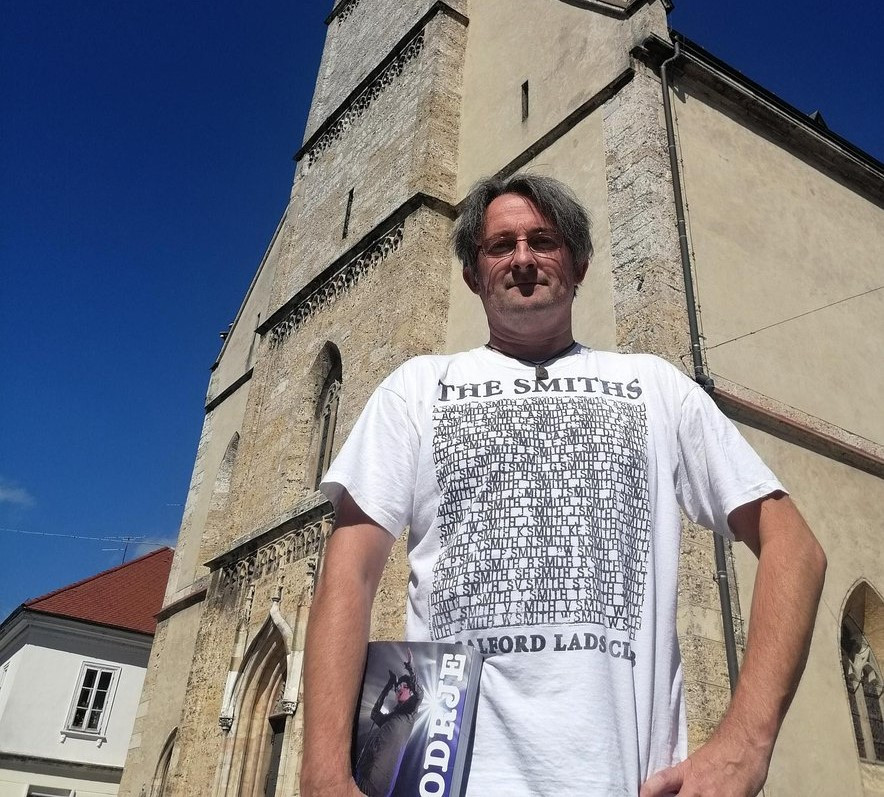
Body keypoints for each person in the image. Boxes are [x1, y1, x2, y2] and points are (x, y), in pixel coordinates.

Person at [300, 173, 826, 796]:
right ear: (473, 274)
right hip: (446, 777)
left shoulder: (656, 387)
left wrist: (746, 745)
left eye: (543, 241)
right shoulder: (415, 390)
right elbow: (350, 573)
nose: (523, 259)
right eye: (501, 246)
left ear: (579, 266)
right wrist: (324, 774)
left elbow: (795, 547)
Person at [353, 650, 423, 796]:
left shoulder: (409, 714)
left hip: (377, 784)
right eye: (397, 687)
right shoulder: (391, 717)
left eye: (403, 686)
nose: (398, 688)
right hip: (364, 772)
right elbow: (374, 714)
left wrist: (411, 668)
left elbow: (420, 694)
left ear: (411, 691)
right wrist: (388, 685)